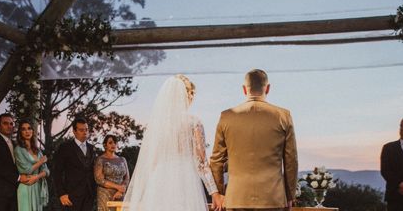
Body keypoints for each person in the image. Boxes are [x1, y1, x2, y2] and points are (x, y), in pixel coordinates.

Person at [123, 75, 220, 211]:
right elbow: (201, 162)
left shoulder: (157, 124)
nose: (192, 98)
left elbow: (152, 161)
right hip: (184, 179)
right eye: (191, 94)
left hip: (159, 179)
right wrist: (214, 192)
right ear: (185, 95)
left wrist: (144, 192)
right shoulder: (193, 122)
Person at [210, 69, 298, 211]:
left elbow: (216, 160)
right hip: (273, 199)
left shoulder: (226, 116)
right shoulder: (283, 116)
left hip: (236, 198)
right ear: (268, 88)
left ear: (244, 89)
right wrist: (289, 196)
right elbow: (291, 161)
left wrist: (219, 193)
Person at [53, 117, 96, 211]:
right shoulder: (65, 148)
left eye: (86, 129)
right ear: (74, 131)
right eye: (81, 130)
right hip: (71, 196)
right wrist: (61, 194)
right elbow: (57, 172)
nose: (85, 132)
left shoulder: (91, 148)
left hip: (89, 195)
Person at [0, 113, 21, 211]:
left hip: (16, 192)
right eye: (5, 123)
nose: (9, 126)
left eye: (11, 124)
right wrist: (19, 178)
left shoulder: (16, 144)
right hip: (0, 193)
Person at [15, 119, 49, 211]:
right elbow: (26, 170)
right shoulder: (18, 149)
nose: (27, 131)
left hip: (37, 187)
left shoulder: (37, 150)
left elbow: (46, 171)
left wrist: (37, 177)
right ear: (20, 132)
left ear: (32, 131)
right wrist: (40, 162)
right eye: (23, 129)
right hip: (26, 187)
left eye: (29, 128)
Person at [94, 135, 129, 211]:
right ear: (105, 145)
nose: (113, 145)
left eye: (115, 143)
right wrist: (118, 187)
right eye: (110, 143)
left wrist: (121, 190)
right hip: (106, 195)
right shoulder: (101, 160)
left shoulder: (123, 159)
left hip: (120, 195)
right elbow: (99, 180)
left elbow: (126, 178)